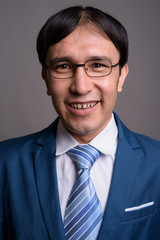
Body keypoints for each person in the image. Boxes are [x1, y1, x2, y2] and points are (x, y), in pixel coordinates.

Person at [0, 5, 160, 240]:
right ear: (46, 79)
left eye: (98, 65)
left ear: (121, 76)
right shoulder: (4, 163)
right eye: (63, 66)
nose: (81, 87)